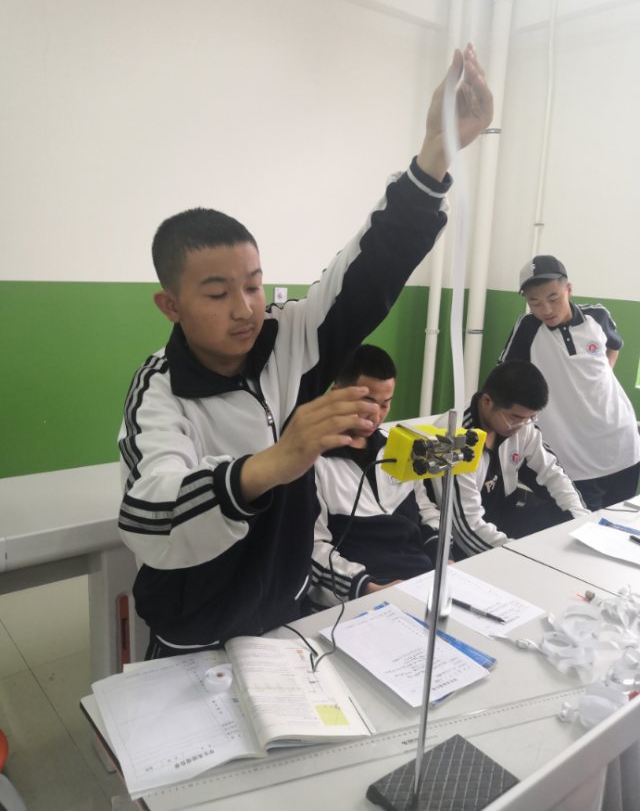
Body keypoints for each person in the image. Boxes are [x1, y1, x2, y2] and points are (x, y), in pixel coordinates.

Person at [117, 44, 493, 657]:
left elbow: (370, 268)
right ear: (171, 305)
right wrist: (277, 460)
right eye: (216, 293)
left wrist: (437, 152)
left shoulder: (290, 335)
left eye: (253, 284)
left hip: (285, 608)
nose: (245, 308)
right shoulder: (161, 390)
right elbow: (148, 511)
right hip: (195, 627)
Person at [499, 255, 640, 510]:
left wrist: (602, 375)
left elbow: (615, 345)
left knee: (620, 523)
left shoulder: (597, 316)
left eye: (553, 298)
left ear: (569, 289)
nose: (546, 309)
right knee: (581, 525)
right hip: (572, 456)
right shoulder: (527, 328)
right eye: (534, 302)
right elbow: (506, 376)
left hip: (623, 444)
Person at [307, 345, 440, 609]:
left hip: (423, 583)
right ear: (337, 394)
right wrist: (367, 588)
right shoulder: (311, 461)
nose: (376, 415)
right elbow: (312, 548)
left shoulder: (398, 449)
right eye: (367, 402)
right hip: (359, 597)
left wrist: (442, 556)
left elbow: (426, 510)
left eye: (385, 404)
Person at [429, 361, 589, 559]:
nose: (522, 425)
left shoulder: (521, 425)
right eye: (515, 417)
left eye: (530, 418)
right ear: (487, 401)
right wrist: (516, 557)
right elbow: (465, 528)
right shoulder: (452, 438)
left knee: (564, 519)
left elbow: (554, 474)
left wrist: (582, 525)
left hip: (504, 519)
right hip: (463, 541)